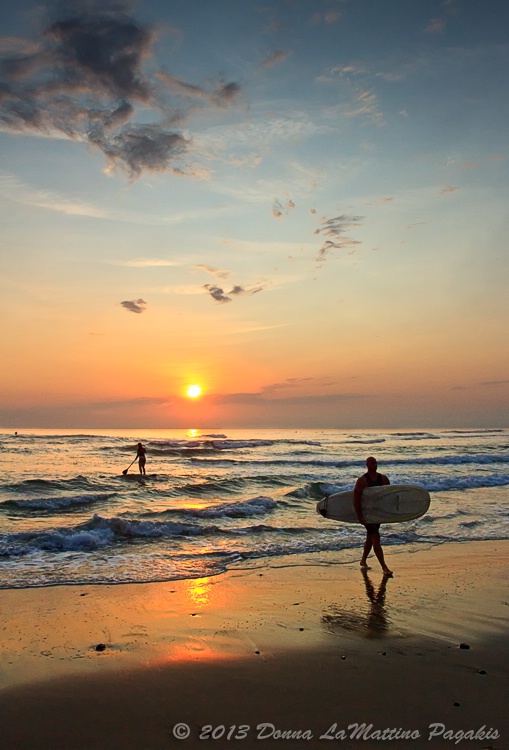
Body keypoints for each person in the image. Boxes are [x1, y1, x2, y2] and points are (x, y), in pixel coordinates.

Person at [353, 456, 393, 577]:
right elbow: (356, 499)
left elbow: (389, 495)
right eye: (370, 462)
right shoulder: (362, 481)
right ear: (367, 465)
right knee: (376, 538)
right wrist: (360, 516)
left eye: (375, 462)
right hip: (367, 514)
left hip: (378, 514)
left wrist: (388, 513)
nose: (373, 464)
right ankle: (384, 567)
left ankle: (363, 560)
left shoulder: (384, 479)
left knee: (370, 537)